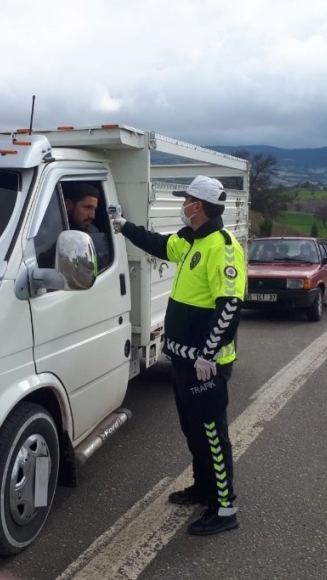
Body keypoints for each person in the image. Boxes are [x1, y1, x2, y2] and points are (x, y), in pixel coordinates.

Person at [110, 175, 246, 536]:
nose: (183, 204)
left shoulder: (223, 247)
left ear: (196, 206)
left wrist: (209, 355)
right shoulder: (190, 239)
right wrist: (124, 227)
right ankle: (204, 488)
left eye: (185, 199)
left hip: (206, 366)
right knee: (193, 429)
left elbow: (229, 305)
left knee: (212, 434)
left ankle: (225, 507)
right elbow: (158, 244)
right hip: (185, 359)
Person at [62, 182, 111, 269]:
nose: (92, 215)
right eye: (87, 208)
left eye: (94, 209)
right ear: (68, 205)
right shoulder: (50, 232)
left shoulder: (93, 233)